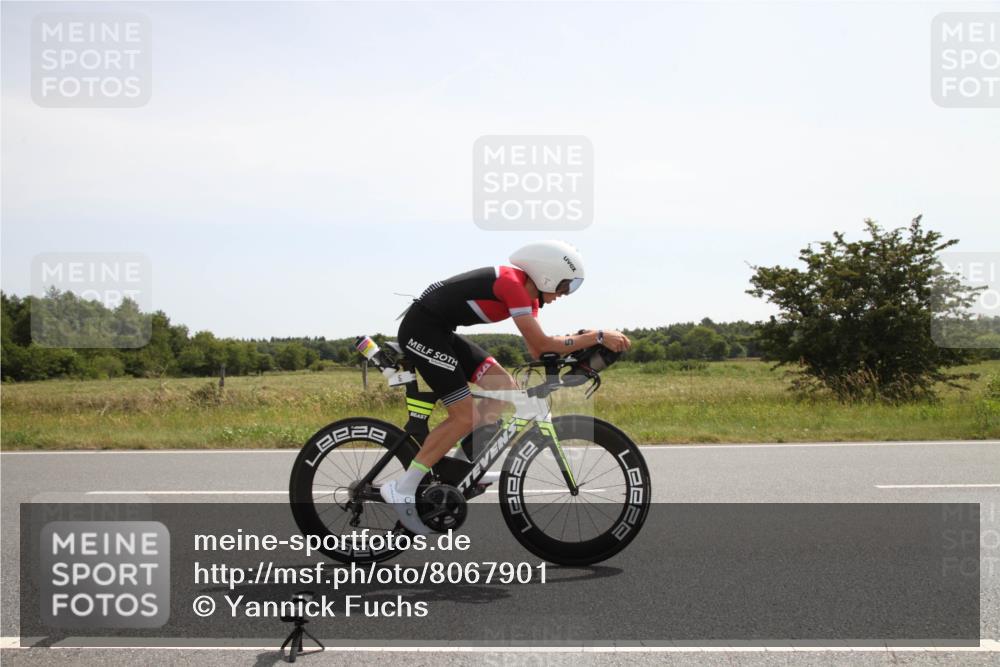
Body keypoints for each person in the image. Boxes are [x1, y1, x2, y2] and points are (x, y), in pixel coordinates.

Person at [380, 240, 631, 534]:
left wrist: (583, 336)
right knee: (464, 416)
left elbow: (540, 348)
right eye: (565, 286)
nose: (564, 294)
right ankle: (403, 488)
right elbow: (541, 345)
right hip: (422, 331)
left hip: (441, 332)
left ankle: (461, 473)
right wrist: (597, 336)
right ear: (546, 274)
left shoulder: (530, 296)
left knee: (503, 390)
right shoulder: (512, 285)